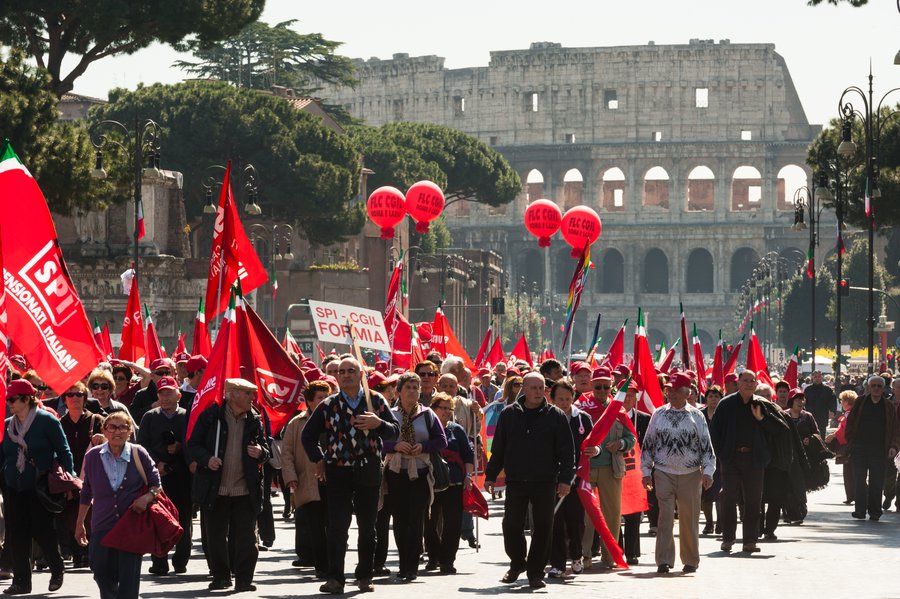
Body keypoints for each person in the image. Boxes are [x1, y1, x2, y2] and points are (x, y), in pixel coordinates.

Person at [301, 357, 400, 594]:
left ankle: (365, 575)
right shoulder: (328, 404)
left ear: (361, 374)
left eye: (351, 371)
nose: (345, 375)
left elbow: (394, 432)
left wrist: (378, 423)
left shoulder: (374, 400)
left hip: (368, 470)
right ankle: (335, 577)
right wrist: (318, 459)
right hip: (338, 471)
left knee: (368, 526)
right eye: (342, 371)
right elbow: (308, 436)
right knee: (337, 526)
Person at [485, 372, 575, 589]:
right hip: (516, 480)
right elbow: (498, 448)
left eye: (540, 388)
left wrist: (565, 480)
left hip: (545, 481)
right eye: (532, 387)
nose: (537, 392)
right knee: (511, 525)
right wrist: (490, 475)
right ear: (523, 389)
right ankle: (517, 563)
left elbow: (567, 451)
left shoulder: (556, 416)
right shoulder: (508, 414)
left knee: (544, 527)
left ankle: (535, 573)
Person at [188, 378, 269, 592]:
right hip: (216, 488)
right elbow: (193, 445)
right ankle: (221, 577)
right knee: (215, 537)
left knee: (247, 537)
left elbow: (266, 448)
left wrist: (260, 452)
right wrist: (207, 459)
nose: (253, 398)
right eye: (248, 393)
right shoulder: (210, 416)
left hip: (245, 489)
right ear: (232, 395)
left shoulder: (255, 419)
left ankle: (243, 579)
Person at [75, 411, 161, 599]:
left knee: (129, 577)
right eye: (112, 427)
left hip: (131, 524)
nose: (118, 431)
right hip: (101, 524)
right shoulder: (93, 456)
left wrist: (147, 498)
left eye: (123, 427)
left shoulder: (139, 453)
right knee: (99, 569)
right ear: (105, 431)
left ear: (130, 432)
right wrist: (80, 523)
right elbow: (87, 490)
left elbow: (156, 484)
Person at [1, 379, 74, 595]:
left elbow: (64, 451)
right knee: (16, 533)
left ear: (27, 399)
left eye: (13, 399)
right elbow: (2, 454)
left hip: (40, 486)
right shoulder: (6, 424)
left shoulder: (47, 421)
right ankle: (22, 582)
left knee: (42, 531)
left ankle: (57, 568)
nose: (10, 403)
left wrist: (67, 480)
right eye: (8, 399)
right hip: (14, 485)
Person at [641, 372, 715, 574]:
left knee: (689, 517)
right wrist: (646, 471)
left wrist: (708, 471)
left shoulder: (697, 416)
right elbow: (648, 444)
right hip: (663, 472)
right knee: (665, 516)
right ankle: (664, 560)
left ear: (687, 392)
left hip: (691, 474)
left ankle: (690, 560)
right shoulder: (659, 414)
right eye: (668, 390)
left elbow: (706, 447)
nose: (671, 394)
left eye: (676, 390)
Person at [710, 370, 788, 553]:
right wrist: (721, 455)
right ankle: (728, 539)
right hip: (731, 459)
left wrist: (761, 420)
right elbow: (714, 432)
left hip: (755, 459)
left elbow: (778, 430)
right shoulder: (726, 404)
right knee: (729, 499)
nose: (749, 384)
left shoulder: (762, 404)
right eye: (745, 380)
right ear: (738, 383)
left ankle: (750, 541)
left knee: (753, 501)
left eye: (753, 381)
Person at [383, 373, 447, 581]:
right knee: (400, 520)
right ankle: (403, 563)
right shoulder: (389, 415)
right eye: (408, 387)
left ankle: (412, 566)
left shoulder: (428, 415)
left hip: (420, 473)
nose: (412, 391)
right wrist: (394, 446)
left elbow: (441, 441)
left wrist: (424, 446)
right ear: (398, 391)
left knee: (417, 519)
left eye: (415, 387)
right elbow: (376, 441)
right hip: (396, 473)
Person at [137, 376, 192, 576]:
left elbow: (193, 444)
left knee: (183, 518)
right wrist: (156, 463)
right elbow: (141, 445)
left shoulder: (187, 416)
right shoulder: (149, 417)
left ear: (178, 395)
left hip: (182, 476)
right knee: (157, 518)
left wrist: (179, 448)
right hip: (156, 476)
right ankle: (159, 561)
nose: (165, 397)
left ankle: (181, 560)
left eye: (169, 392)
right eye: (161, 393)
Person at [581, 369, 634, 569]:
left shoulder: (617, 409)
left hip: (611, 468)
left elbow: (632, 438)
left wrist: (620, 444)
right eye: (598, 386)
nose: (602, 390)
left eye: (606, 386)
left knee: (612, 515)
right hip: (586, 468)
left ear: (611, 387)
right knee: (586, 515)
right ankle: (584, 555)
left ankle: (608, 556)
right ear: (591, 386)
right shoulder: (581, 407)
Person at [282, 380, 331, 577]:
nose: (324, 401)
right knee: (316, 527)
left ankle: (334, 565)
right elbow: (286, 453)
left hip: (334, 481)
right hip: (308, 481)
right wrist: (291, 478)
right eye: (320, 398)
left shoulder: (336, 419)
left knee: (334, 527)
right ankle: (321, 566)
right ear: (309, 401)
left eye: (327, 397)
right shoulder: (297, 423)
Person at [424, 393, 475, 574]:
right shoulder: (425, 428)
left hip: (454, 482)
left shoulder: (457, 430)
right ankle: (434, 556)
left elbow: (468, 455)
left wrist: (468, 476)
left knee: (453, 523)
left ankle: (447, 560)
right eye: (442, 408)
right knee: (429, 523)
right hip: (431, 481)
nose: (446, 412)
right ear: (433, 408)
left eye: (449, 408)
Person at [547, 380, 592, 578]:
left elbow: (593, 443)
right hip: (551, 477)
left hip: (577, 477)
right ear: (552, 399)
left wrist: (595, 450)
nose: (564, 403)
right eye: (560, 399)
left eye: (567, 398)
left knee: (576, 521)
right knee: (555, 521)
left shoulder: (582, 418)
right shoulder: (546, 418)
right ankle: (557, 563)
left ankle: (576, 555)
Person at [59, 382, 104, 568]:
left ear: (85, 398)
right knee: (70, 514)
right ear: (65, 400)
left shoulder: (97, 420)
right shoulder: (59, 423)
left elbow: (114, 443)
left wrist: (104, 439)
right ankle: (75, 551)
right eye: (70, 395)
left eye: (79, 394)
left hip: (92, 477)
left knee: (91, 515)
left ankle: (89, 551)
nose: (75, 397)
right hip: (68, 477)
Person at [844, 375, 900, 521]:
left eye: (879, 386)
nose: (875, 388)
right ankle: (860, 511)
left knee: (877, 481)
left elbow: (895, 428)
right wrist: (850, 440)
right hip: (859, 448)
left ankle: (875, 511)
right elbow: (851, 421)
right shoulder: (860, 402)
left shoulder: (888, 405)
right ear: (868, 388)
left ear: (883, 389)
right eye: (873, 386)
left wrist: (893, 446)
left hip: (880, 449)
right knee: (859, 479)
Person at [620, 380, 651, 566]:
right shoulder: (609, 417)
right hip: (614, 471)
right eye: (624, 394)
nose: (627, 398)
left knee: (633, 514)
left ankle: (632, 552)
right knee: (614, 513)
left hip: (636, 472)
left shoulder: (645, 419)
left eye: (632, 394)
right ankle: (617, 549)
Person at [825, 390, 857, 505]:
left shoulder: (849, 413)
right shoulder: (850, 413)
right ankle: (852, 496)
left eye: (842, 400)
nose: (841, 403)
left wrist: (833, 435)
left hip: (849, 446)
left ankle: (853, 495)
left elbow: (845, 430)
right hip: (849, 446)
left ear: (847, 401)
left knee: (850, 472)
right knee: (849, 472)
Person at [700, 385, 723, 535]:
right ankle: (709, 523)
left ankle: (721, 522)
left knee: (720, 493)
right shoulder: (699, 415)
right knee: (705, 494)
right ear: (706, 399)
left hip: (721, 459)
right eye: (710, 396)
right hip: (702, 460)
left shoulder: (725, 414)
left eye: (716, 396)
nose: (713, 399)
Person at [804, 370, 836, 439]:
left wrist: (832, 411)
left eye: (819, 377)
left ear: (821, 377)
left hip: (822, 418)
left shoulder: (828, 390)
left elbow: (833, 401)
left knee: (821, 437)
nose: (817, 378)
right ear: (812, 377)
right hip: (810, 418)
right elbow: (804, 402)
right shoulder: (807, 390)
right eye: (815, 377)